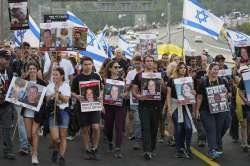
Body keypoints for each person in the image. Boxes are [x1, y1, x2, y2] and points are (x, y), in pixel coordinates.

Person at [195, 63, 230, 160]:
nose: (216, 71)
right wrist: (197, 110)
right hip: (206, 110)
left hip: (220, 109)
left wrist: (226, 94)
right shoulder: (204, 82)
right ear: (209, 70)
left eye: (217, 70)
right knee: (211, 129)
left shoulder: (223, 81)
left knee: (222, 127)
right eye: (214, 69)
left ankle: (217, 143)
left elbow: (229, 94)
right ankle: (212, 150)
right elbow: (199, 97)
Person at [71, 56, 102, 160]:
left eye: (89, 64)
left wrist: (100, 95)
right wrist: (76, 96)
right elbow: (72, 92)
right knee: (85, 129)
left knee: (96, 127)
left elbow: (101, 89)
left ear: (92, 65)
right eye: (85, 64)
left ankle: (95, 147)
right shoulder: (77, 78)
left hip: (94, 106)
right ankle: (87, 149)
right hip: (82, 107)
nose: (87, 66)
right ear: (82, 65)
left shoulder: (97, 76)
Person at [132, 55, 162, 160]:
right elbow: (134, 91)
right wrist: (138, 96)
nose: (149, 62)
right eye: (147, 61)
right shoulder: (139, 76)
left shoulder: (158, 75)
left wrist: (162, 84)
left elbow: (163, 91)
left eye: (151, 61)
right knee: (146, 128)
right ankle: (147, 150)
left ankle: (152, 148)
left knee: (154, 128)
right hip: (144, 106)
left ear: (153, 63)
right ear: (144, 62)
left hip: (156, 106)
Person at [167, 62, 195, 159]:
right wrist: (169, 109)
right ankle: (179, 149)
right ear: (178, 69)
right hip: (175, 105)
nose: (183, 69)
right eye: (181, 68)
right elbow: (168, 95)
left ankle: (187, 146)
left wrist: (193, 93)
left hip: (186, 106)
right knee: (178, 128)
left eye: (185, 68)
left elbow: (191, 94)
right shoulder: (171, 80)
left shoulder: (189, 80)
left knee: (188, 127)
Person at [22, 63, 47, 164]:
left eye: (34, 69)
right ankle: (33, 148)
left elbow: (44, 100)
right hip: (27, 112)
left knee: (34, 133)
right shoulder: (25, 82)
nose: (32, 70)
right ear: (28, 70)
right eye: (30, 69)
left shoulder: (42, 83)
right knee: (29, 136)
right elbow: (21, 95)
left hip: (37, 113)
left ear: (37, 70)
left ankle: (34, 154)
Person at [46, 67, 71, 166]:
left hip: (63, 112)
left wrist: (58, 93)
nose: (54, 76)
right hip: (53, 112)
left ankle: (62, 156)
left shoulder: (66, 86)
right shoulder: (49, 86)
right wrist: (53, 94)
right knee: (55, 138)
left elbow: (66, 100)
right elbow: (47, 100)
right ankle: (56, 149)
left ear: (62, 76)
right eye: (53, 74)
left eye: (56, 74)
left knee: (63, 136)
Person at [103, 60, 126, 158]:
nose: (118, 69)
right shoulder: (105, 80)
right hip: (108, 106)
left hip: (119, 106)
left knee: (119, 127)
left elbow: (125, 93)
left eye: (118, 67)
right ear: (110, 69)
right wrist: (102, 105)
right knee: (108, 126)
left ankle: (118, 148)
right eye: (115, 67)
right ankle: (109, 141)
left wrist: (124, 95)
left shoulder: (122, 80)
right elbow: (101, 93)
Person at [0, 50, 15, 160]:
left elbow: (12, 86)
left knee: (7, 129)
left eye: (9, 58)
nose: (8, 61)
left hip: (6, 105)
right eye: (6, 58)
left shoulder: (9, 70)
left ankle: (7, 151)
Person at [125, 55, 142, 150]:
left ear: (142, 62)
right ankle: (137, 140)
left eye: (138, 63)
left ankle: (143, 137)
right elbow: (126, 87)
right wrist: (132, 83)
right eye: (135, 63)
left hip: (146, 100)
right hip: (134, 100)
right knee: (137, 120)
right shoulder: (130, 73)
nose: (137, 65)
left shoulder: (146, 72)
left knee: (144, 121)